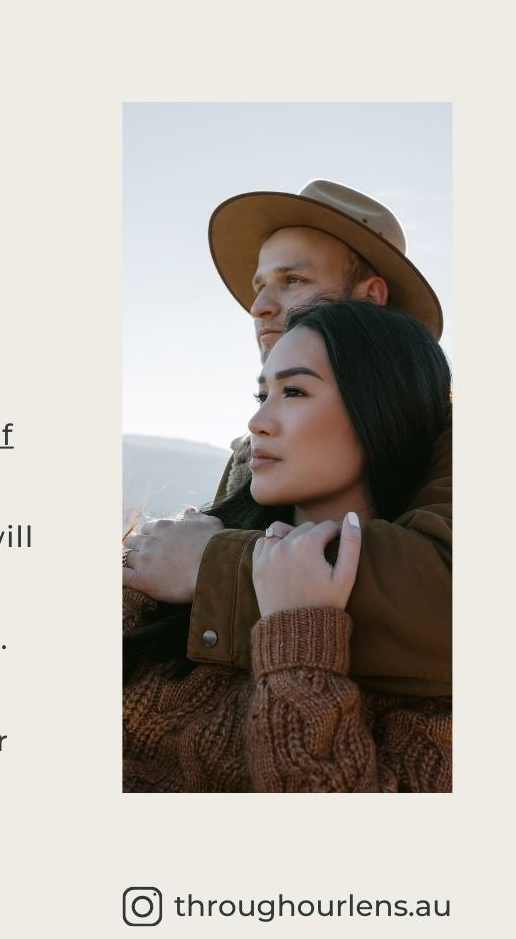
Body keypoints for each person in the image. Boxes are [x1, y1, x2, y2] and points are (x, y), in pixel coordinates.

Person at [123, 181, 451, 695]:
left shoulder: (455, 433)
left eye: (293, 280)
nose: (259, 306)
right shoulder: (250, 454)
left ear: (371, 298)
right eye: (259, 285)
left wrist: (213, 565)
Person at [122, 299, 451, 792]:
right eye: (262, 395)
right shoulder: (168, 562)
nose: (258, 422)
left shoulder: (431, 683)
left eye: (294, 391)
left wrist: (300, 641)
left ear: (382, 409)